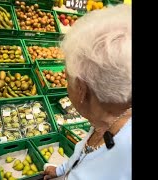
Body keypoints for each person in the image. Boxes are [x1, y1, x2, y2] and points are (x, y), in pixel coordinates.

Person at [43, 4, 132, 180]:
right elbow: (85, 152)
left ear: (82, 89)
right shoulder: (111, 116)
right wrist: (62, 170)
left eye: (67, 77)